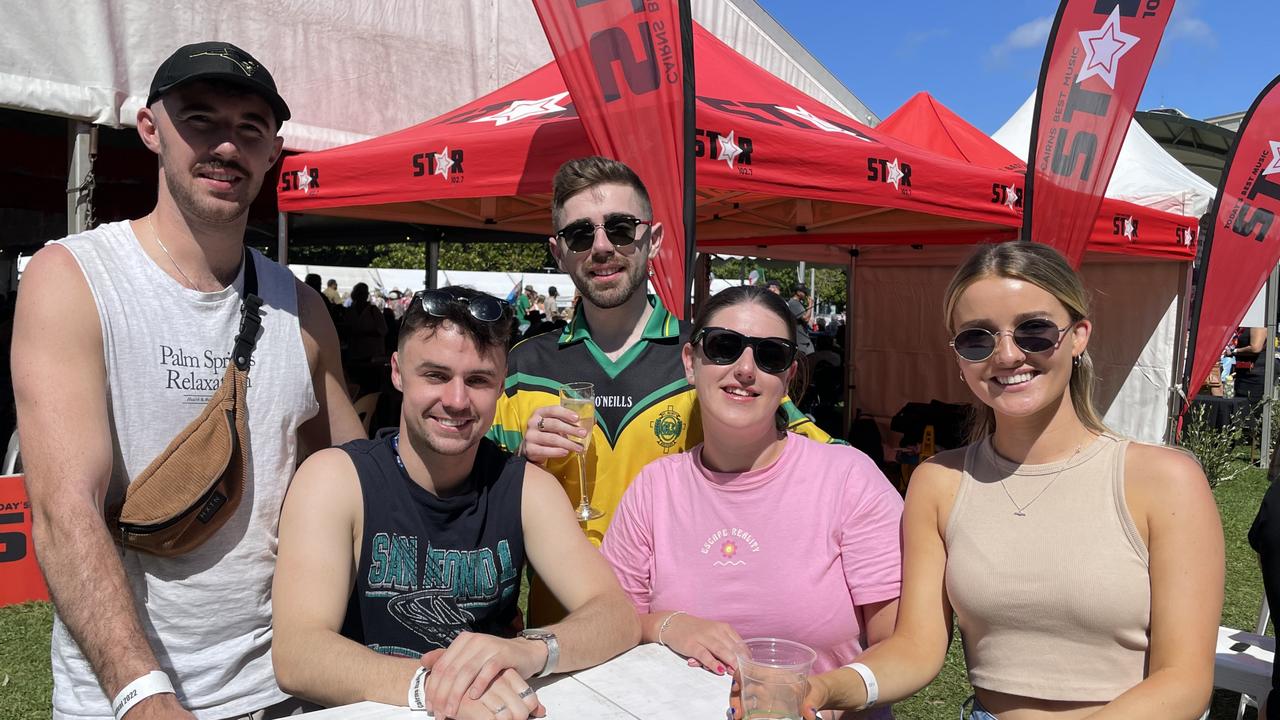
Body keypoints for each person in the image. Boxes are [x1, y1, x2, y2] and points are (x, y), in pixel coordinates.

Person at [12, 42, 365, 720]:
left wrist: (492, 453)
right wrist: (144, 695)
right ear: (150, 129)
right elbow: (64, 510)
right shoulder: (76, 279)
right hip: (124, 699)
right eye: (199, 119)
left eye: (250, 129)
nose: (226, 146)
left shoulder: (303, 307)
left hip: (283, 688)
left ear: (272, 154)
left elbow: (355, 483)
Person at [755, 242, 1222, 719]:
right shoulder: (939, 482)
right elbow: (916, 646)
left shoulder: (1163, 481)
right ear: (959, 358)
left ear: (1079, 335)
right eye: (977, 339)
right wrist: (823, 689)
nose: (1006, 355)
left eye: (1034, 331)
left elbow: (1184, 680)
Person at [487, 156, 836, 625]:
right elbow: (470, 507)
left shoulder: (716, 355)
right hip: (566, 644)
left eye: (621, 228)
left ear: (654, 240)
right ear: (558, 252)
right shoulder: (523, 369)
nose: (602, 246)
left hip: (687, 647)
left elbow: (823, 464)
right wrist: (518, 468)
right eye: (580, 234)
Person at [272, 287, 639, 718]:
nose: (457, 400)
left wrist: (530, 650)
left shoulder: (524, 488)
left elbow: (616, 615)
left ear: (502, 386)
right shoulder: (337, 478)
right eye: (435, 375)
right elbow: (298, 654)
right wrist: (435, 688)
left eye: (478, 380)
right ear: (397, 372)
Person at [602, 286, 902, 700]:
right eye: (724, 346)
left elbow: (899, 643)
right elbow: (610, 624)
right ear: (691, 362)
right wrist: (667, 624)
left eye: (770, 355)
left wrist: (826, 695)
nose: (745, 369)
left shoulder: (848, 478)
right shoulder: (653, 489)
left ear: (788, 377)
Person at [789, 284, 816, 356]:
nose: (805, 294)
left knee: (811, 358)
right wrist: (810, 305)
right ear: (798, 292)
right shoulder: (794, 303)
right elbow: (806, 318)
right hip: (800, 341)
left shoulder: (798, 303)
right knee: (806, 361)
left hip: (804, 339)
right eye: (804, 292)